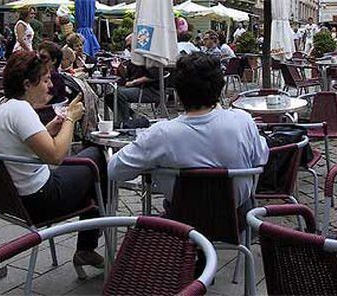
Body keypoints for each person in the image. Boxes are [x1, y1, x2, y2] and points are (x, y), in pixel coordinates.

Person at [0, 51, 107, 279]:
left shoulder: (1, 106)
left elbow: (24, 142)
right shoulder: (20, 110)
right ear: (27, 84)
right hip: (40, 199)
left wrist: (50, 128)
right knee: (97, 157)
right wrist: (71, 118)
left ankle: (92, 228)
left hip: (10, 201)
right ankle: (94, 235)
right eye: (45, 80)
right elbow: (56, 156)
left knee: (91, 185)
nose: (50, 86)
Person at [108, 52, 269, 217]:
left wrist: (154, 162)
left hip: (181, 230)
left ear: (178, 90)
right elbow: (261, 158)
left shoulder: (160, 134)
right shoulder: (243, 121)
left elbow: (114, 170)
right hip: (238, 223)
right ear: (219, 87)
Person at [104, 60, 160, 127]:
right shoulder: (132, 61)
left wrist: (134, 82)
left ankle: (123, 123)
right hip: (136, 88)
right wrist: (120, 68)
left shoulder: (151, 60)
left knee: (118, 93)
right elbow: (126, 76)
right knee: (109, 97)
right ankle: (133, 116)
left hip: (149, 90)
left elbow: (154, 75)